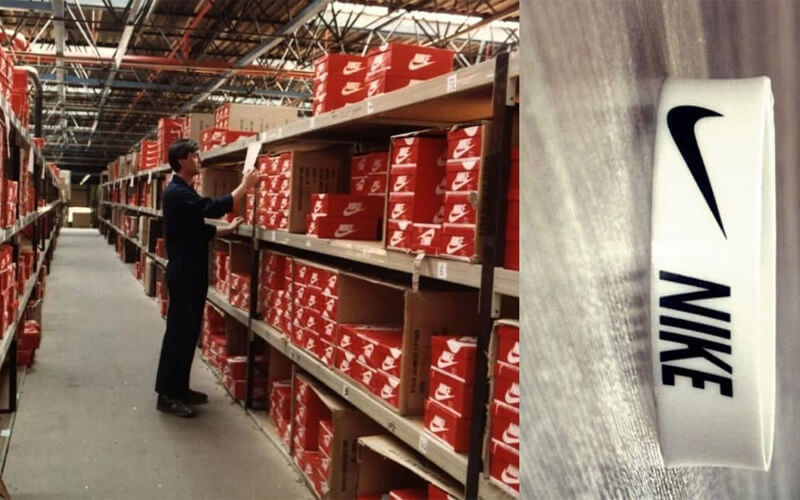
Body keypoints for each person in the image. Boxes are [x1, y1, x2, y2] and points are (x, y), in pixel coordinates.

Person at [155, 138, 260, 417]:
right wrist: (245, 186)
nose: (199, 159)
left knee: (189, 333)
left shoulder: (184, 191)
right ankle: (167, 395)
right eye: (194, 155)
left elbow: (198, 229)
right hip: (184, 273)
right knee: (179, 334)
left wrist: (228, 229)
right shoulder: (177, 192)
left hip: (192, 272)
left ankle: (179, 388)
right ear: (181, 160)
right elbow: (211, 208)